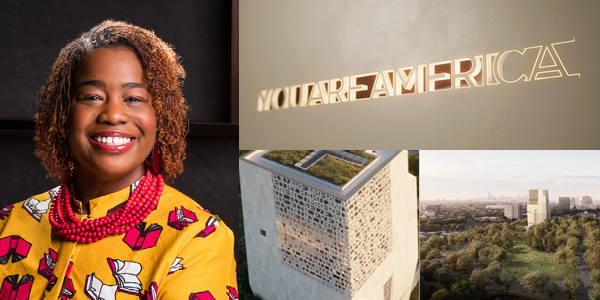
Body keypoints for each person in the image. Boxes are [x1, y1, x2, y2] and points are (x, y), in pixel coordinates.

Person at [0, 20, 237, 300]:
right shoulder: (9, 223)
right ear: (62, 112)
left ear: (160, 115)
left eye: (134, 98)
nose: (113, 114)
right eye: (92, 96)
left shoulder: (198, 238)